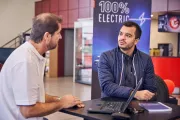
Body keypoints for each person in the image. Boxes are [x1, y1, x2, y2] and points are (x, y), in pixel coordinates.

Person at [0, 13, 84, 120]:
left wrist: (59, 99)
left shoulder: (31, 54)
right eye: (58, 33)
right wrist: (62, 103)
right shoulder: (26, 61)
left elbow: (35, 95)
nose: (61, 37)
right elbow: (28, 111)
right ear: (47, 36)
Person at [98, 21, 157, 101]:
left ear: (136, 41)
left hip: (137, 105)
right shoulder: (106, 57)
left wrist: (145, 96)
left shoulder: (146, 59)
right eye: (120, 34)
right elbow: (107, 86)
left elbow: (150, 88)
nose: (122, 37)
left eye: (128, 35)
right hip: (111, 104)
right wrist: (134, 93)